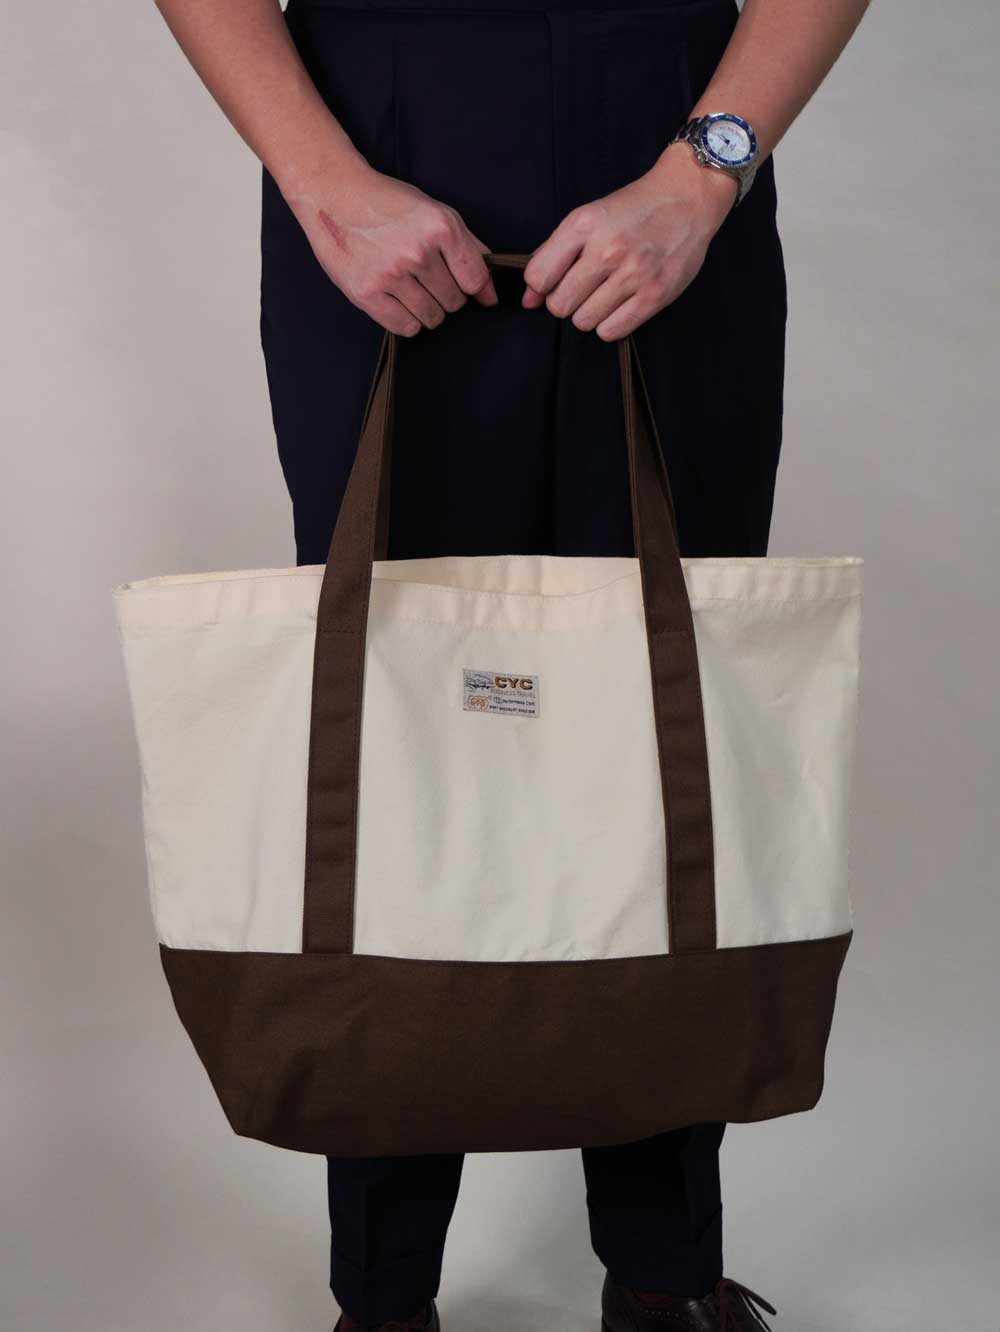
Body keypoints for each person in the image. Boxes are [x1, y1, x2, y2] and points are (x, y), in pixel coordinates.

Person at [151, 0, 870, 1327]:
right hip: (375, 143)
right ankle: (383, 1294)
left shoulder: (691, 178)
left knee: (667, 732)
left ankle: (662, 1272)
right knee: (391, 736)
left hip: (671, 134)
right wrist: (324, 184)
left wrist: (703, 175)